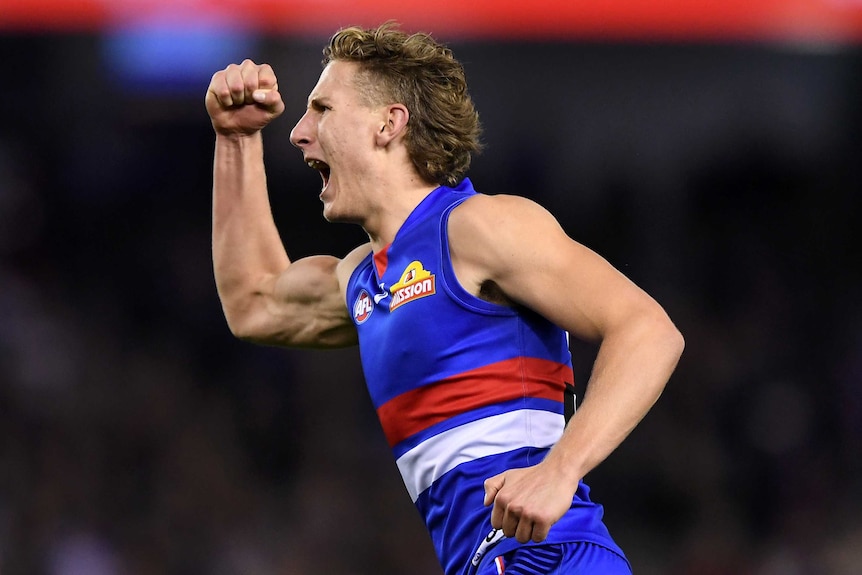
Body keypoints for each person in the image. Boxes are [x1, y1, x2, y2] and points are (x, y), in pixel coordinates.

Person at [205, 22, 684, 575]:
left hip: (549, 556)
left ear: (389, 123)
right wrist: (236, 140)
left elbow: (648, 329)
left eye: (323, 109)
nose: (299, 132)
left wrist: (562, 468)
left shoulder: (477, 228)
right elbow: (254, 302)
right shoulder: (362, 277)